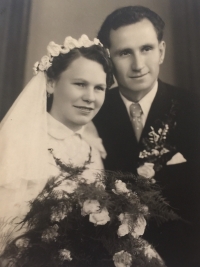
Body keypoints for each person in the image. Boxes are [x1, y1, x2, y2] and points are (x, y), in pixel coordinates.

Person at [93, 6, 200, 267]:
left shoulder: (193, 108)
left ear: (161, 51)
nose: (138, 65)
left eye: (147, 49)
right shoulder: (91, 115)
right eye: (125, 52)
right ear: (108, 59)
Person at [0, 34, 114, 255]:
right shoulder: (20, 141)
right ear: (51, 83)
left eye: (99, 88)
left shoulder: (92, 148)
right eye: (80, 84)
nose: (90, 97)